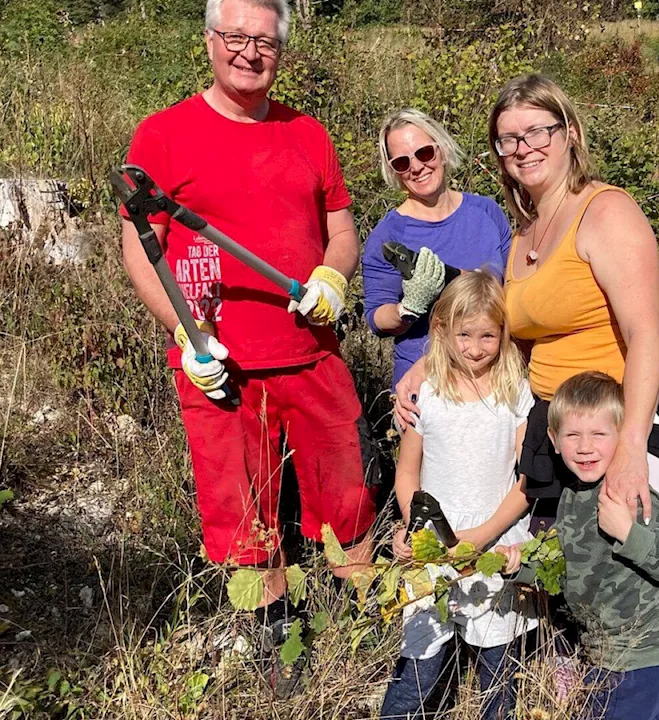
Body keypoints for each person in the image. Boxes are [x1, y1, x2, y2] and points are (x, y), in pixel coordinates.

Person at [396, 73, 659, 720]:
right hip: (561, 426)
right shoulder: (526, 231)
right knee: (580, 577)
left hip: (633, 414)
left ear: (570, 134)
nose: (522, 148)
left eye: (536, 132)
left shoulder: (605, 211)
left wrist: (634, 445)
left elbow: (644, 334)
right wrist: (428, 369)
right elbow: (510, 336)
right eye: (506, 140)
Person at [120, 0, 377, 625]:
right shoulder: (163, 133)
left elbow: (341, 229)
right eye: (235, 36)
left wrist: (332, 277)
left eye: (264, 41)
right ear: (209, 41)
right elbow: (138, 247)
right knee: (245, 515)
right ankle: (273, 638)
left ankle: (365, 623)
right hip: (221, 367)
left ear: (280, 51)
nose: (249, 52)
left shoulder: (307, 132)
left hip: (311, 353)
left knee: (347, 495)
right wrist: (187, 333)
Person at [495, 372, 659, 720]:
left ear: (622, 436)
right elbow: (564, 569)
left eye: (599, 434)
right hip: (617, 656)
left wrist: (628, 533)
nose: (585, 446)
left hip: (639, 659)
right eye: (572, 435)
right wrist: (519, 568)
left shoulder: (631, 497)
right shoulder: (571, 498)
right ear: (554, 440)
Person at [380, 272, 539, 720]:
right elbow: (408, 472)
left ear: (504, 335)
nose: (474, 347)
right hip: (431, 552)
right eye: (463, 334)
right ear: (442, 333)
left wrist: (484, 536)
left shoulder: (516, 395)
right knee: (419, 670)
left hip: (494, 547)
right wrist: (414, 528)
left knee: (498, 676)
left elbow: (524, 483)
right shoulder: (426, 394)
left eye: (487, 335)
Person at [361, 109, 512, 389]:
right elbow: (376, 317)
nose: (416, 167)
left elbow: (513, 287)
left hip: (494, 377)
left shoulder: (487, 213)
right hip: (425, 381)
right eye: (402, 162)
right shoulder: (388, 236)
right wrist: (409, 308)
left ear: (441, 149)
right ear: (393, 171)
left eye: (425, 153)